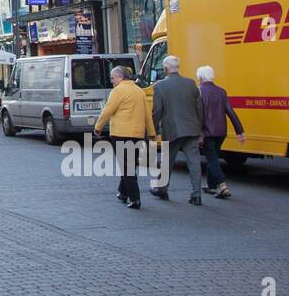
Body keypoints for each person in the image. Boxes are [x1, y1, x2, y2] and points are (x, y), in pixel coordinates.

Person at [94, 65, 155, 210]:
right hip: (137, 134)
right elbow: (147, 114)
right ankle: (122, 192)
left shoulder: (118, 91)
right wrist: (152, 132)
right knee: (130, 165)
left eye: (113, 78)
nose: (112, 81)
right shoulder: (139, 91)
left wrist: (98, 127)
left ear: (121, 77)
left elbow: (108, 110)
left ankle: (135, 199)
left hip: (121, 134)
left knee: (127, 167)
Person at [150, 56, 205, 205]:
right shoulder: (191, 83)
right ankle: (197, 194)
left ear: (166, 69)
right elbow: (199, 108)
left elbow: (157, 110)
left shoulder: (160, 86)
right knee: (194, 162)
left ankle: (162, 188)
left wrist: (153, 130)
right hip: (192, 128)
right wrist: (200, 129)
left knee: (167, 161)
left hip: (172, 129)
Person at [197, 65, 246, 199]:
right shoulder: (221, 91)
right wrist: (239, 131)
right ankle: (211, 185)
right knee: (212, 157)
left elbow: (199, 115)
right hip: (221, 131)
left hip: (207, 132)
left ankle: (222, 185)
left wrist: (198, 131)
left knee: (211, 158)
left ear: (200, 78)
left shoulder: (199, 92)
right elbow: (230, 112)